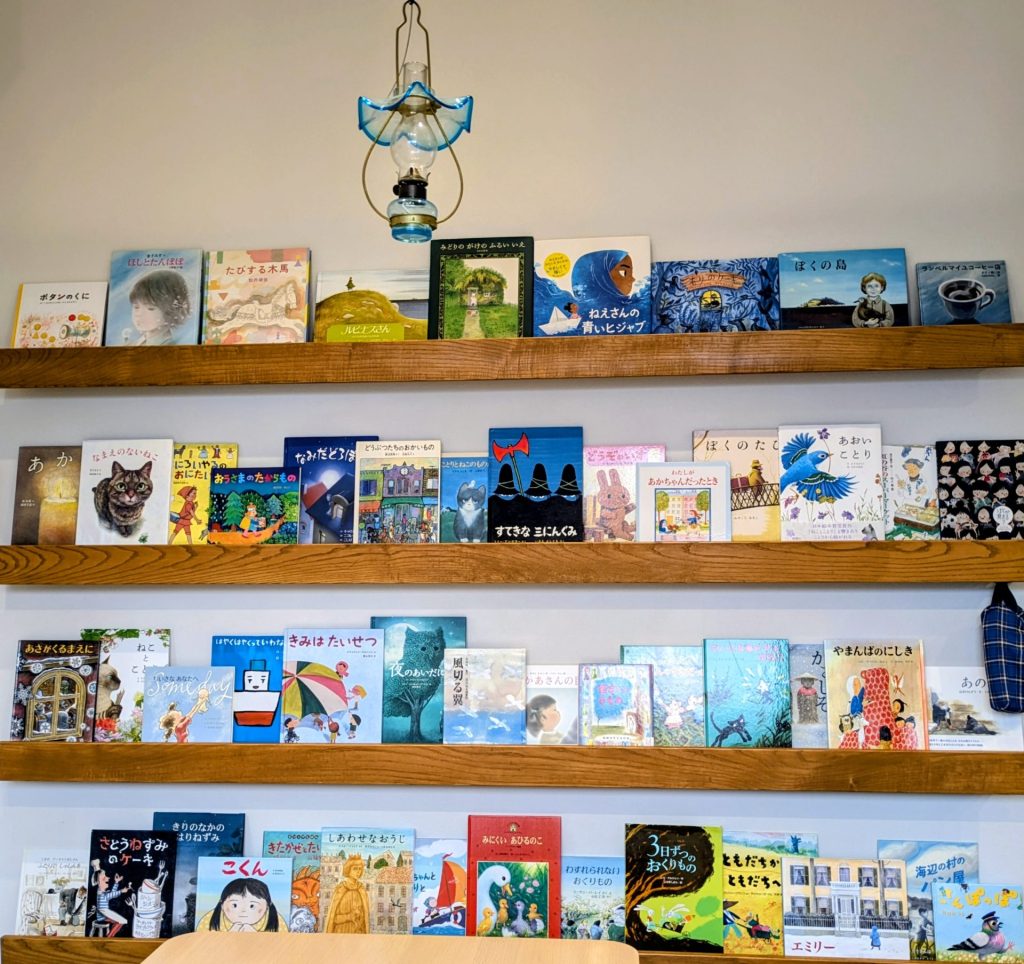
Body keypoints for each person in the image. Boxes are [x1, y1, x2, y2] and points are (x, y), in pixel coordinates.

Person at [124, 270, 192, 345]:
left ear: (171, 310)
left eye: (150, 308)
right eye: (136, 307)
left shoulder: (169, 345)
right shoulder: (137, 343)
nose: (139, 314)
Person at [196, 877, 287, 932]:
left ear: (267, 906)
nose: (243, 911)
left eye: (252, 906)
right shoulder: (209, 919)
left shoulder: (277, 921)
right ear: (222, 905)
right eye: (234, 905)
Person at [325, 855, 370, 933]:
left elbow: (365, 918)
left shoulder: (361, 890)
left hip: (358, 933)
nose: (358, 872)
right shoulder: (341, 889)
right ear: (348, 869)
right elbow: (333, 918)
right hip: (341, 932)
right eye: (355, 869)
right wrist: (349, 916)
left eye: (360, 869)